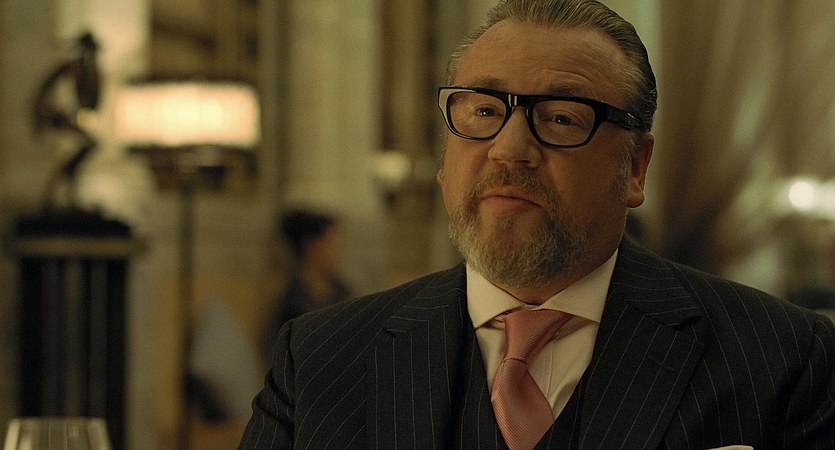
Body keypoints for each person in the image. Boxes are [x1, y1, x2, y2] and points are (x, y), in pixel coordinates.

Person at [239, 0, 835, 448]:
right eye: (483, 110)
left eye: (561, 118)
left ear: (634, 167)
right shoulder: (321, 359)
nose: (509, 149)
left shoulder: (781, 359)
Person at [263, 209, 351, 359]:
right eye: (334, 246)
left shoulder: (342, 291)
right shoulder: (290, 299)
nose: (342, 254)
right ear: (312, 247)